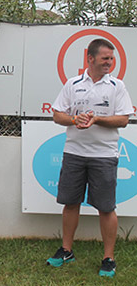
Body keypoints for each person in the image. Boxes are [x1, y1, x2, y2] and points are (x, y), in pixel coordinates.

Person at [47, 38, 133, 278]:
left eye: (112, 59)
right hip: (74, 153)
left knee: (106, 208)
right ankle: (66, 250)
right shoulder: (73, 84)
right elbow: (57, 115)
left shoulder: (117, 86)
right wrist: (75, 120)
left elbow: (124, 119)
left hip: (104, 155)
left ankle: (108, 258)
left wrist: (97, 120)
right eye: (105, 58)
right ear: (90, 58)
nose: (109, 63)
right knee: (70, 203)